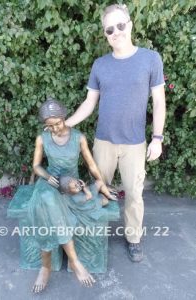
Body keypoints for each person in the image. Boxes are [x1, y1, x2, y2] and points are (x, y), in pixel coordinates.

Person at [65, 3, 166, 262]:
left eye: (121, 25)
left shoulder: (150, 59)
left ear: (130, 25)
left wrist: (157, 137)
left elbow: (159, 101)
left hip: (134, 143)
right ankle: (96, 235)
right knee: (99, 191)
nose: (116, 32)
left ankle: (133, 238)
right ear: (105, 34)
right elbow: (89, 102)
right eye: (110, 29)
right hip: (104, 142)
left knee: (134, 195)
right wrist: (67, 124)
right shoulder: (100, 65)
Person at [25, 97, 115, 293]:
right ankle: (52, 265)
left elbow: (91, 165)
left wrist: (104, 186)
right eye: (50, 126)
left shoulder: (78, 137)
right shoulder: (42, 138)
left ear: (64, 117)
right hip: (50, 184)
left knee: (59, 205)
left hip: (70, 184)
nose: (56, 128)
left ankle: (66, 263)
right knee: (47, 201)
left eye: (58, 123)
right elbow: (36, 166)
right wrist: (47, 176)